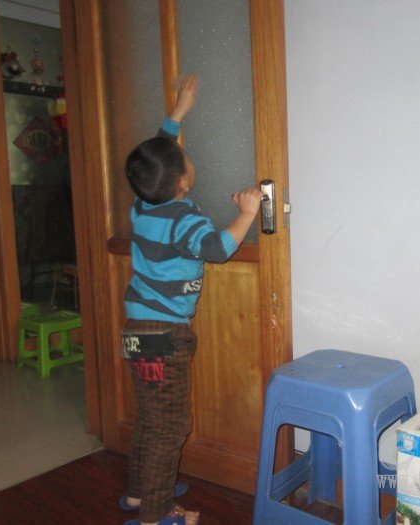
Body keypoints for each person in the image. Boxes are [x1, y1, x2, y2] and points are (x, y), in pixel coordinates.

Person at [118, 73, 263, 525]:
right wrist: (247, 213)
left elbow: (158, 154)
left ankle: (141, 492)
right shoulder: (184, 219)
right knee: (170, 427)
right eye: (186, 159)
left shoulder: (143, 204)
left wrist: (179, 111)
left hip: (137, 331)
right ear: (183, 181)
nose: (187, 158)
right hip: (166, 336)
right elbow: (217, 249)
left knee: (151, 417)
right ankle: (157, 514)